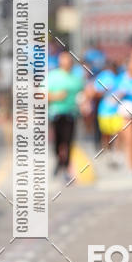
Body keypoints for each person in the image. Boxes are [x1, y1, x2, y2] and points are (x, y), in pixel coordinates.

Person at [47, 50, 84, 181]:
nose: (67, 62)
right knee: (57, 142)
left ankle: (66, 168)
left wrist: (84, 103)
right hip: (56, 114)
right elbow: (41, 95)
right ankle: (59, 161)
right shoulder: (52, 76)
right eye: (64, 59)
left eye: (69, 60)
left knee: (68, 142)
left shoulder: (77, 78)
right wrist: (55, 96)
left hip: (71, 113)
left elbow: (83, 95)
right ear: (60, 61)